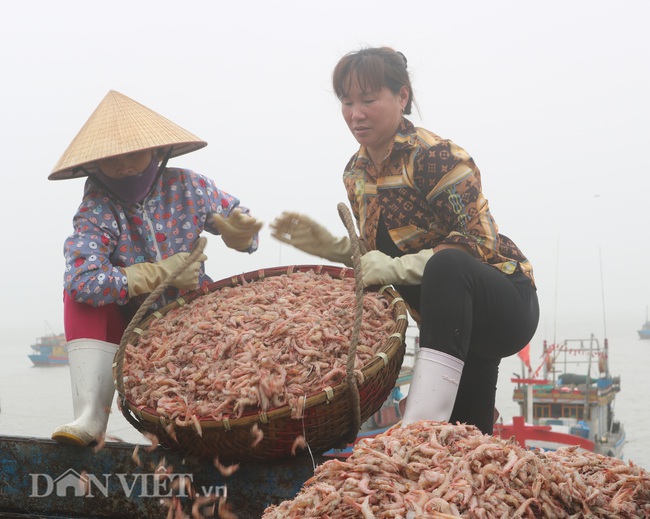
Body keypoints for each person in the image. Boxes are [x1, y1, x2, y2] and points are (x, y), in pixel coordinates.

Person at [270, 47, 539, 435]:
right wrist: (335, 248)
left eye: (368, 99)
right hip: (450, 326)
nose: (355, 113)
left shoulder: (435, 157)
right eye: (346, 102)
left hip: (503, 303)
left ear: (402, 96)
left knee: (447, 266)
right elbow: (376, 257)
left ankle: (417, 429)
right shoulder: (355, 173)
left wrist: (395, 268)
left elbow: (478, 242)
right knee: (466, 438)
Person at [49, 90, 262, 446]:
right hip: (137, 324)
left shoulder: (189, 186)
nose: (125, 166)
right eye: (112, 159)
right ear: (95, 165)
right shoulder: (98, 208)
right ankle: (90, 415)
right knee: (77, 299)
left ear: (157, 149)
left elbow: (248, 235)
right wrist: (155, 274)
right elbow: (81, 279)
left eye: (133, 152)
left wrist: (237, 231)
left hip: (198, 309)